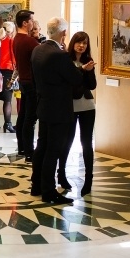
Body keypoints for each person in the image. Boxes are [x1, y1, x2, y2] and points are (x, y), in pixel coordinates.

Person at [30, 17, 85, 205]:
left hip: (44, 106)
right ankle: (48, 192)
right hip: (59, 110)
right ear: (63, 34)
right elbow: (76, 78)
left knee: (42, 147)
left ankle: (36, 185)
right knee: (52, 150)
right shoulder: (59, 55)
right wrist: (82, 69)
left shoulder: (37, 49)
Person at [56, 31, 97, 197]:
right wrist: (81, 70)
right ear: (73, 43)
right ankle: (61, 175)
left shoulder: (88, 61)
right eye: (79, 42)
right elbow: (70, 84)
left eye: (85, 43)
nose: (82, 45)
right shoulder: (66, 60)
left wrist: (88, 71)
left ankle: (88, 180)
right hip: (70, 107)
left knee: (87, 143)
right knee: (67, 141)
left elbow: (92, 85)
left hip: (87, 106)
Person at [12, 10, 39, 159]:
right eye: (31, 21)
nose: (33, 23)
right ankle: (29, 152)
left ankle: (22, 148)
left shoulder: (16, 39)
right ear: (25, 23)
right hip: (31, 82)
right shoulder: (28, 41)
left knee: (23, 115)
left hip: (23, 81)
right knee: (30, 117)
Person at [0, 21, 16, 133]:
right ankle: (8, 124)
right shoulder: (11, 41)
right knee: (7, 100)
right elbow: (14, 57)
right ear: (11, 31)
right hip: (8, 71)